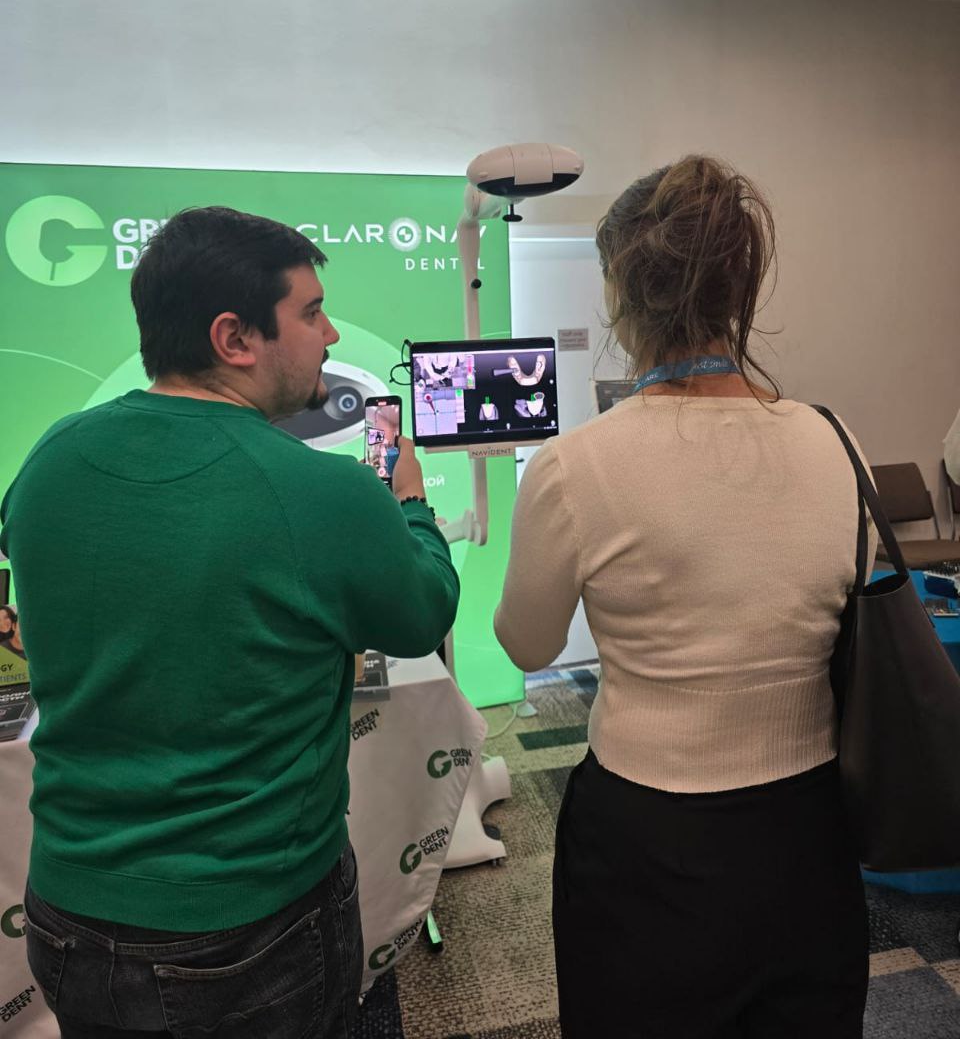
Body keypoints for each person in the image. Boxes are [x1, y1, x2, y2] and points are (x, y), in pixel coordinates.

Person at [0, 206, 459, 1039]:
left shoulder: (51, 457)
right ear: (233, 338)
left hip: (66, 917)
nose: (329, 336)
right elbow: (422, 614)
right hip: (249, 933)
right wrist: (412, 505)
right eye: (312, 313)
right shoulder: (325, 493)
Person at [494, 155, 876, 1039]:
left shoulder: (574, 466)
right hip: (809, 829)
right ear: (744, 285)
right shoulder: (835, 439)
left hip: (646, 837)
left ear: (618, 291)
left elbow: (527, 645)